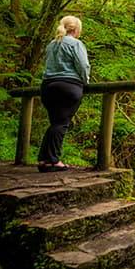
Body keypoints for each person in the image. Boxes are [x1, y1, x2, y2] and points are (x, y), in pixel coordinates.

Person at [37, 15, 90, 172]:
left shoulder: (51, 45)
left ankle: (43, 160)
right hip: (68, 86)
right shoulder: (76, 44)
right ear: (76, 29)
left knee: (55, 123)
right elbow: (83, 65)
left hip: (47, 87)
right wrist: (85, 81)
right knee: (61, 124)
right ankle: (53, 161)